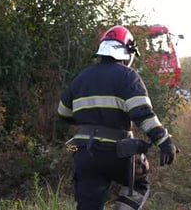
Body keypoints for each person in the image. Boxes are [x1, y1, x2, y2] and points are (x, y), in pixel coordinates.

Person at [57, 25, 177, 210]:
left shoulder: (81, 77)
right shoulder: (128, 76)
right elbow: (142, 114)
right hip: (116, 153)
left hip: (84, 153)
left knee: (88, 206)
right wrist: (164, 140)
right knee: (139, 184)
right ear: (126, 51)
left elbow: (63, 113)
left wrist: (89, 121)